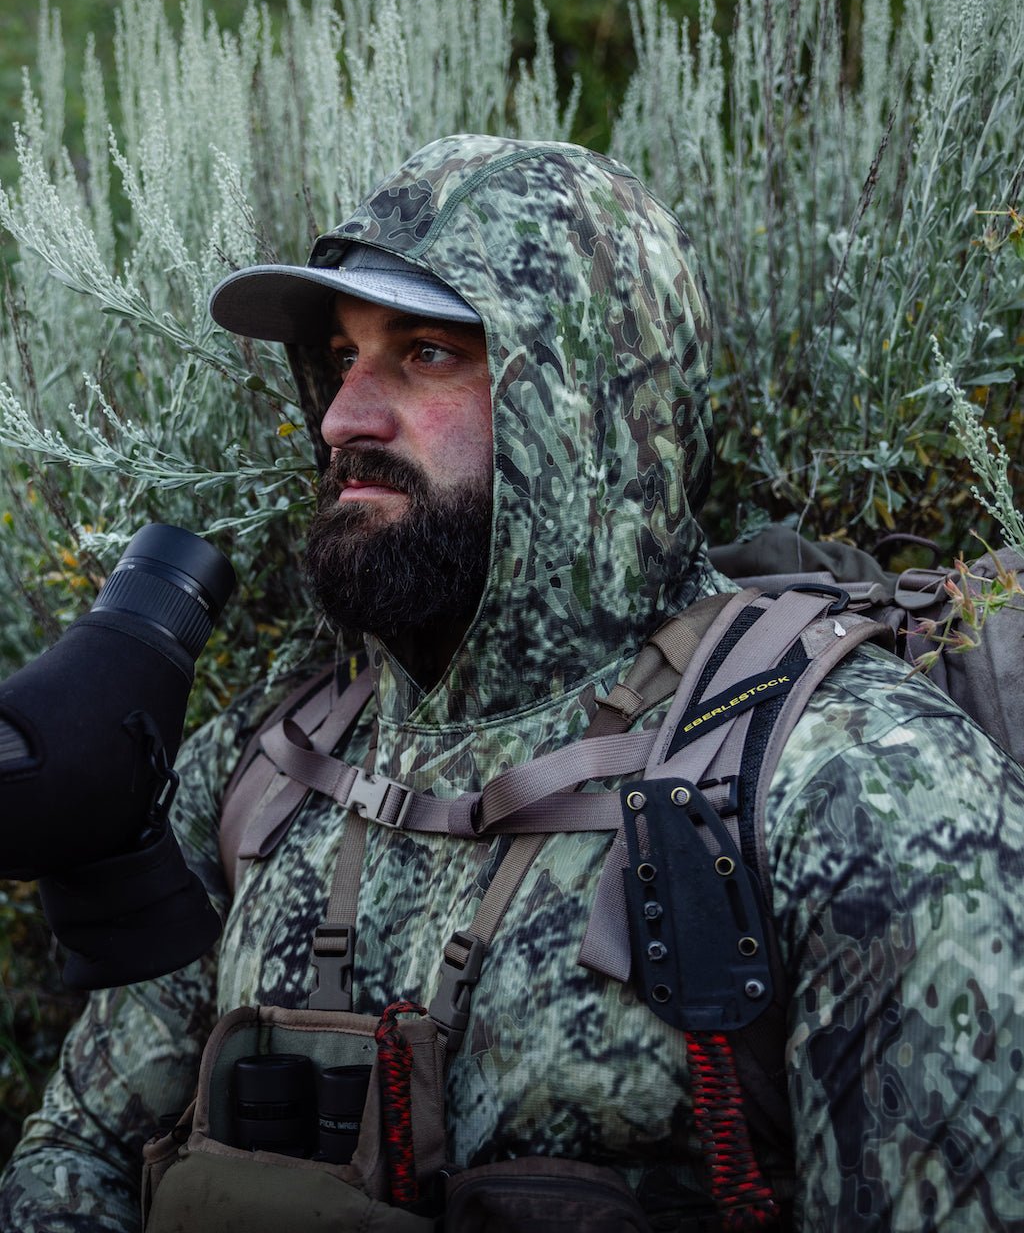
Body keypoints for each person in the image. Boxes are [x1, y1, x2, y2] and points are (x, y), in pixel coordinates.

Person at [2, 133, 1024, 1231]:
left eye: (426, 353)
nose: (343, 417)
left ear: (586, 403)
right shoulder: (267, 765)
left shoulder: (859, 782)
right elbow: (79, 1153)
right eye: (342, 356)